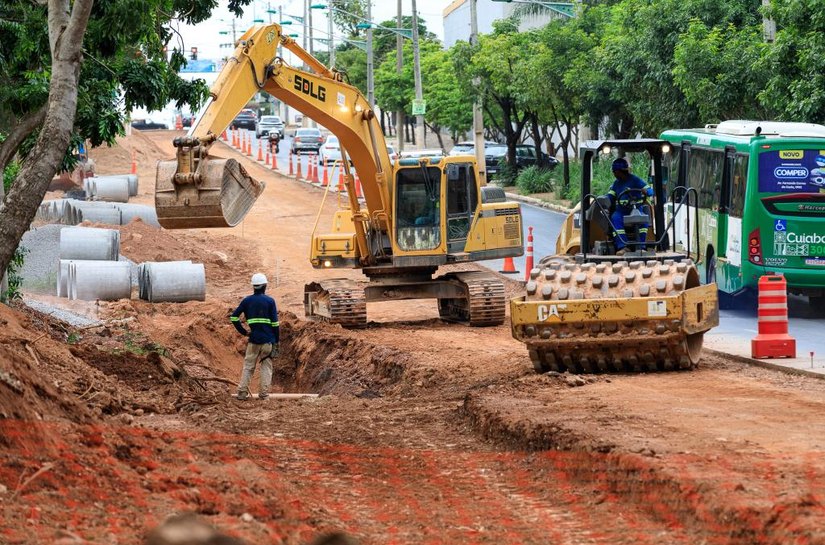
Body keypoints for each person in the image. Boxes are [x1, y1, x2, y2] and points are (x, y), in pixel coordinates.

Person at [230, 273, 279, 400]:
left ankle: (241, 393)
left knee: (248, 367)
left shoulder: (247, 301)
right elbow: (275, 323)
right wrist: (277, 340)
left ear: (253, 286)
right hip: (268, 340)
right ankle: (263, 394)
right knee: (266, 367)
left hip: (254, 340)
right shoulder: (270, 301)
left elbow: (234, 317)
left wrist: (244, 332)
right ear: (265, 286)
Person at [604, 157, 654, 254]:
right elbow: (610, 196)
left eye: (615, 172)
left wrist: (647, 191)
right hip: (621, 211)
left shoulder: (635, 180)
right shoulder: (616, 184)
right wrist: (603, 200)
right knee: (615, 218)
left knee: (643, 220)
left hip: (637, 209)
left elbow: (651, 191)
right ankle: (623, 246)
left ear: (619, 171)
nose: (614, 174)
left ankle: (641, 247)